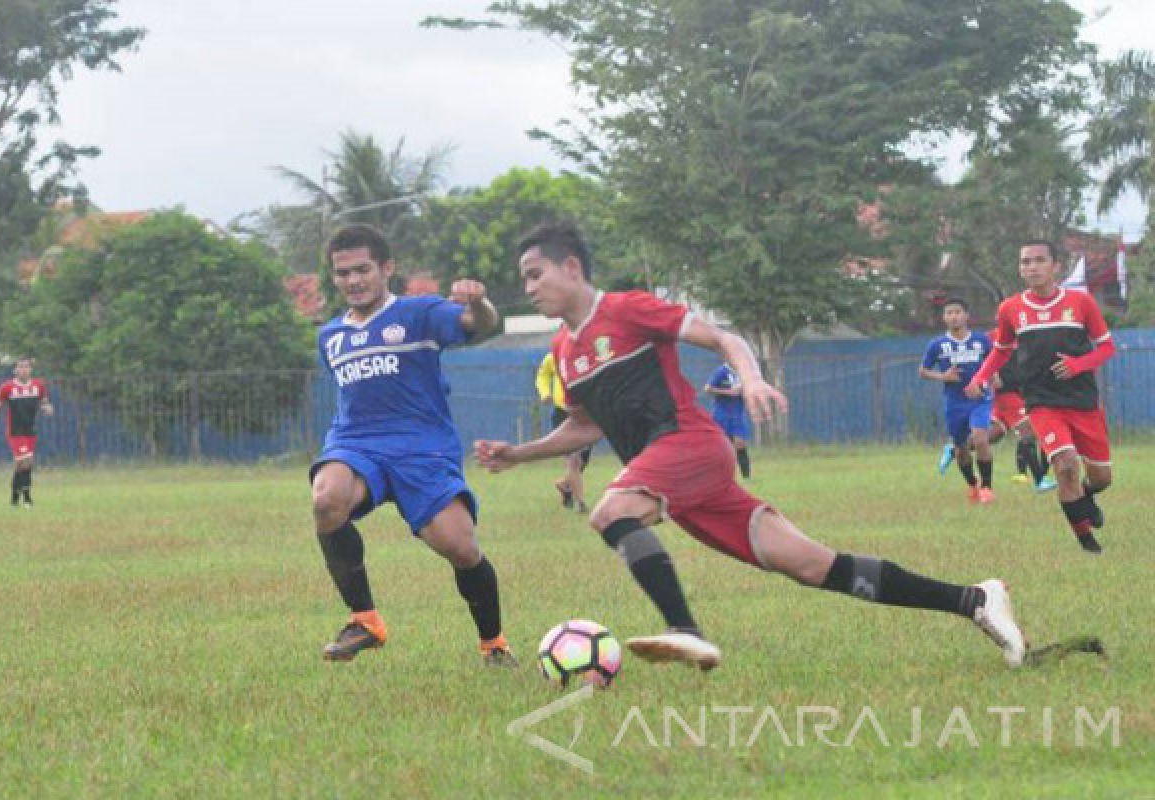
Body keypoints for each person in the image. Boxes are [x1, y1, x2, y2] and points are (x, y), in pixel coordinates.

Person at [475, 221, 1027, 671]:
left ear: (570, 268)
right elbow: (586, 425)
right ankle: (975, 601)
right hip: (676, 475)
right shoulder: (564, 350)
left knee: (612, 512)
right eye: (524, 279)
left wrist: (752, 376)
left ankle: (686, 632)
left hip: (688, 444)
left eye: (534, 274)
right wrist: (519, 453)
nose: (528, 288)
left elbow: (723, 338)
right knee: (813, 565)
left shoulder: (625, 309)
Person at [310, 223, 516, 666]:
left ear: (387, 268)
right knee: (327, 499)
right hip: (357, 443)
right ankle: (364, 620)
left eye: (362, 270)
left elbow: (478, 325)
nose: (353, 281)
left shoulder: (420, 313)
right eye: (342, 273)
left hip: (423, 449)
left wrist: (478, 302)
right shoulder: (330, 336)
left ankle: (494, 644)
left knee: (459, 547)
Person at [968, 240, 1117, 554]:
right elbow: (1002, 349)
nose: (1031, 267)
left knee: (1102, 477)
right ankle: (1088, 543)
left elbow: (1106, 347)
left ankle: (1086, 497)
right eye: (1025, 262)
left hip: (1083, 402)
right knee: (1065, 466)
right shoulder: (1011, 308)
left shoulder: (1081, 303)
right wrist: (980, 377)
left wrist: (1078, 365)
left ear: (1055, 266)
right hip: (1041, 402)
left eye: (1038, 260)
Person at [919, 299, 996, 503]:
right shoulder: (937, 345)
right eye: (949, 313)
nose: (953, 316)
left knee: (980, 438)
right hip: (955, 403)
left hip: (980, 399)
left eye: (957, 312)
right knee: (961, 449)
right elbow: (923, 371)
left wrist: (993, 382)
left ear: (966, 315)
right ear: (944, 318)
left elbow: (993, 364)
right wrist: (943, 377)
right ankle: (972, 484)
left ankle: (987, 487)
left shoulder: (981, 341)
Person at [987, 331, 1056, 492]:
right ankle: (1039, 480)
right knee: (1028, 431)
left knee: (994, 434)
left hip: (1024, 392)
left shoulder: (1029, 333)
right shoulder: (992, 336)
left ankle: (957, 448)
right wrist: (992, 375)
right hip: (1007, 392)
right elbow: (984, 357)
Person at [0, 357, 53, 507]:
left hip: (30, 430)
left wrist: (48, 409)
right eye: (20, 367)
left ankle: (14, 500)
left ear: (31, 369)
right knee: (25, 461)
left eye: (26, 367)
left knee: (24, 465)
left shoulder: (38, 386)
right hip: (15, 431)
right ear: (15, 370)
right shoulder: (7, 388)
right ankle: (27, 499)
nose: (23, 369)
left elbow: (44, 402)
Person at [535, 351, 592, 513]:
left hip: (586, 412)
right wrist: (545, 393)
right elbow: (543, 376)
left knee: (582, 462)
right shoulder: (553, 356)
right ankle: (581, 503)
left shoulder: (587, 351)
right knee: (574, 460)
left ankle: (565, 485)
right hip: (563, 413)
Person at [703, 362, 753, 479]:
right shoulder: (721, 371)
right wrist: (728, 392)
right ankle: (717, 475)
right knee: (722, 446)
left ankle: (746, 477)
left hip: (738, 414)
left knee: (740, 444)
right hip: (722, 414)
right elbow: (707, 388)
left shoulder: (743, 371)